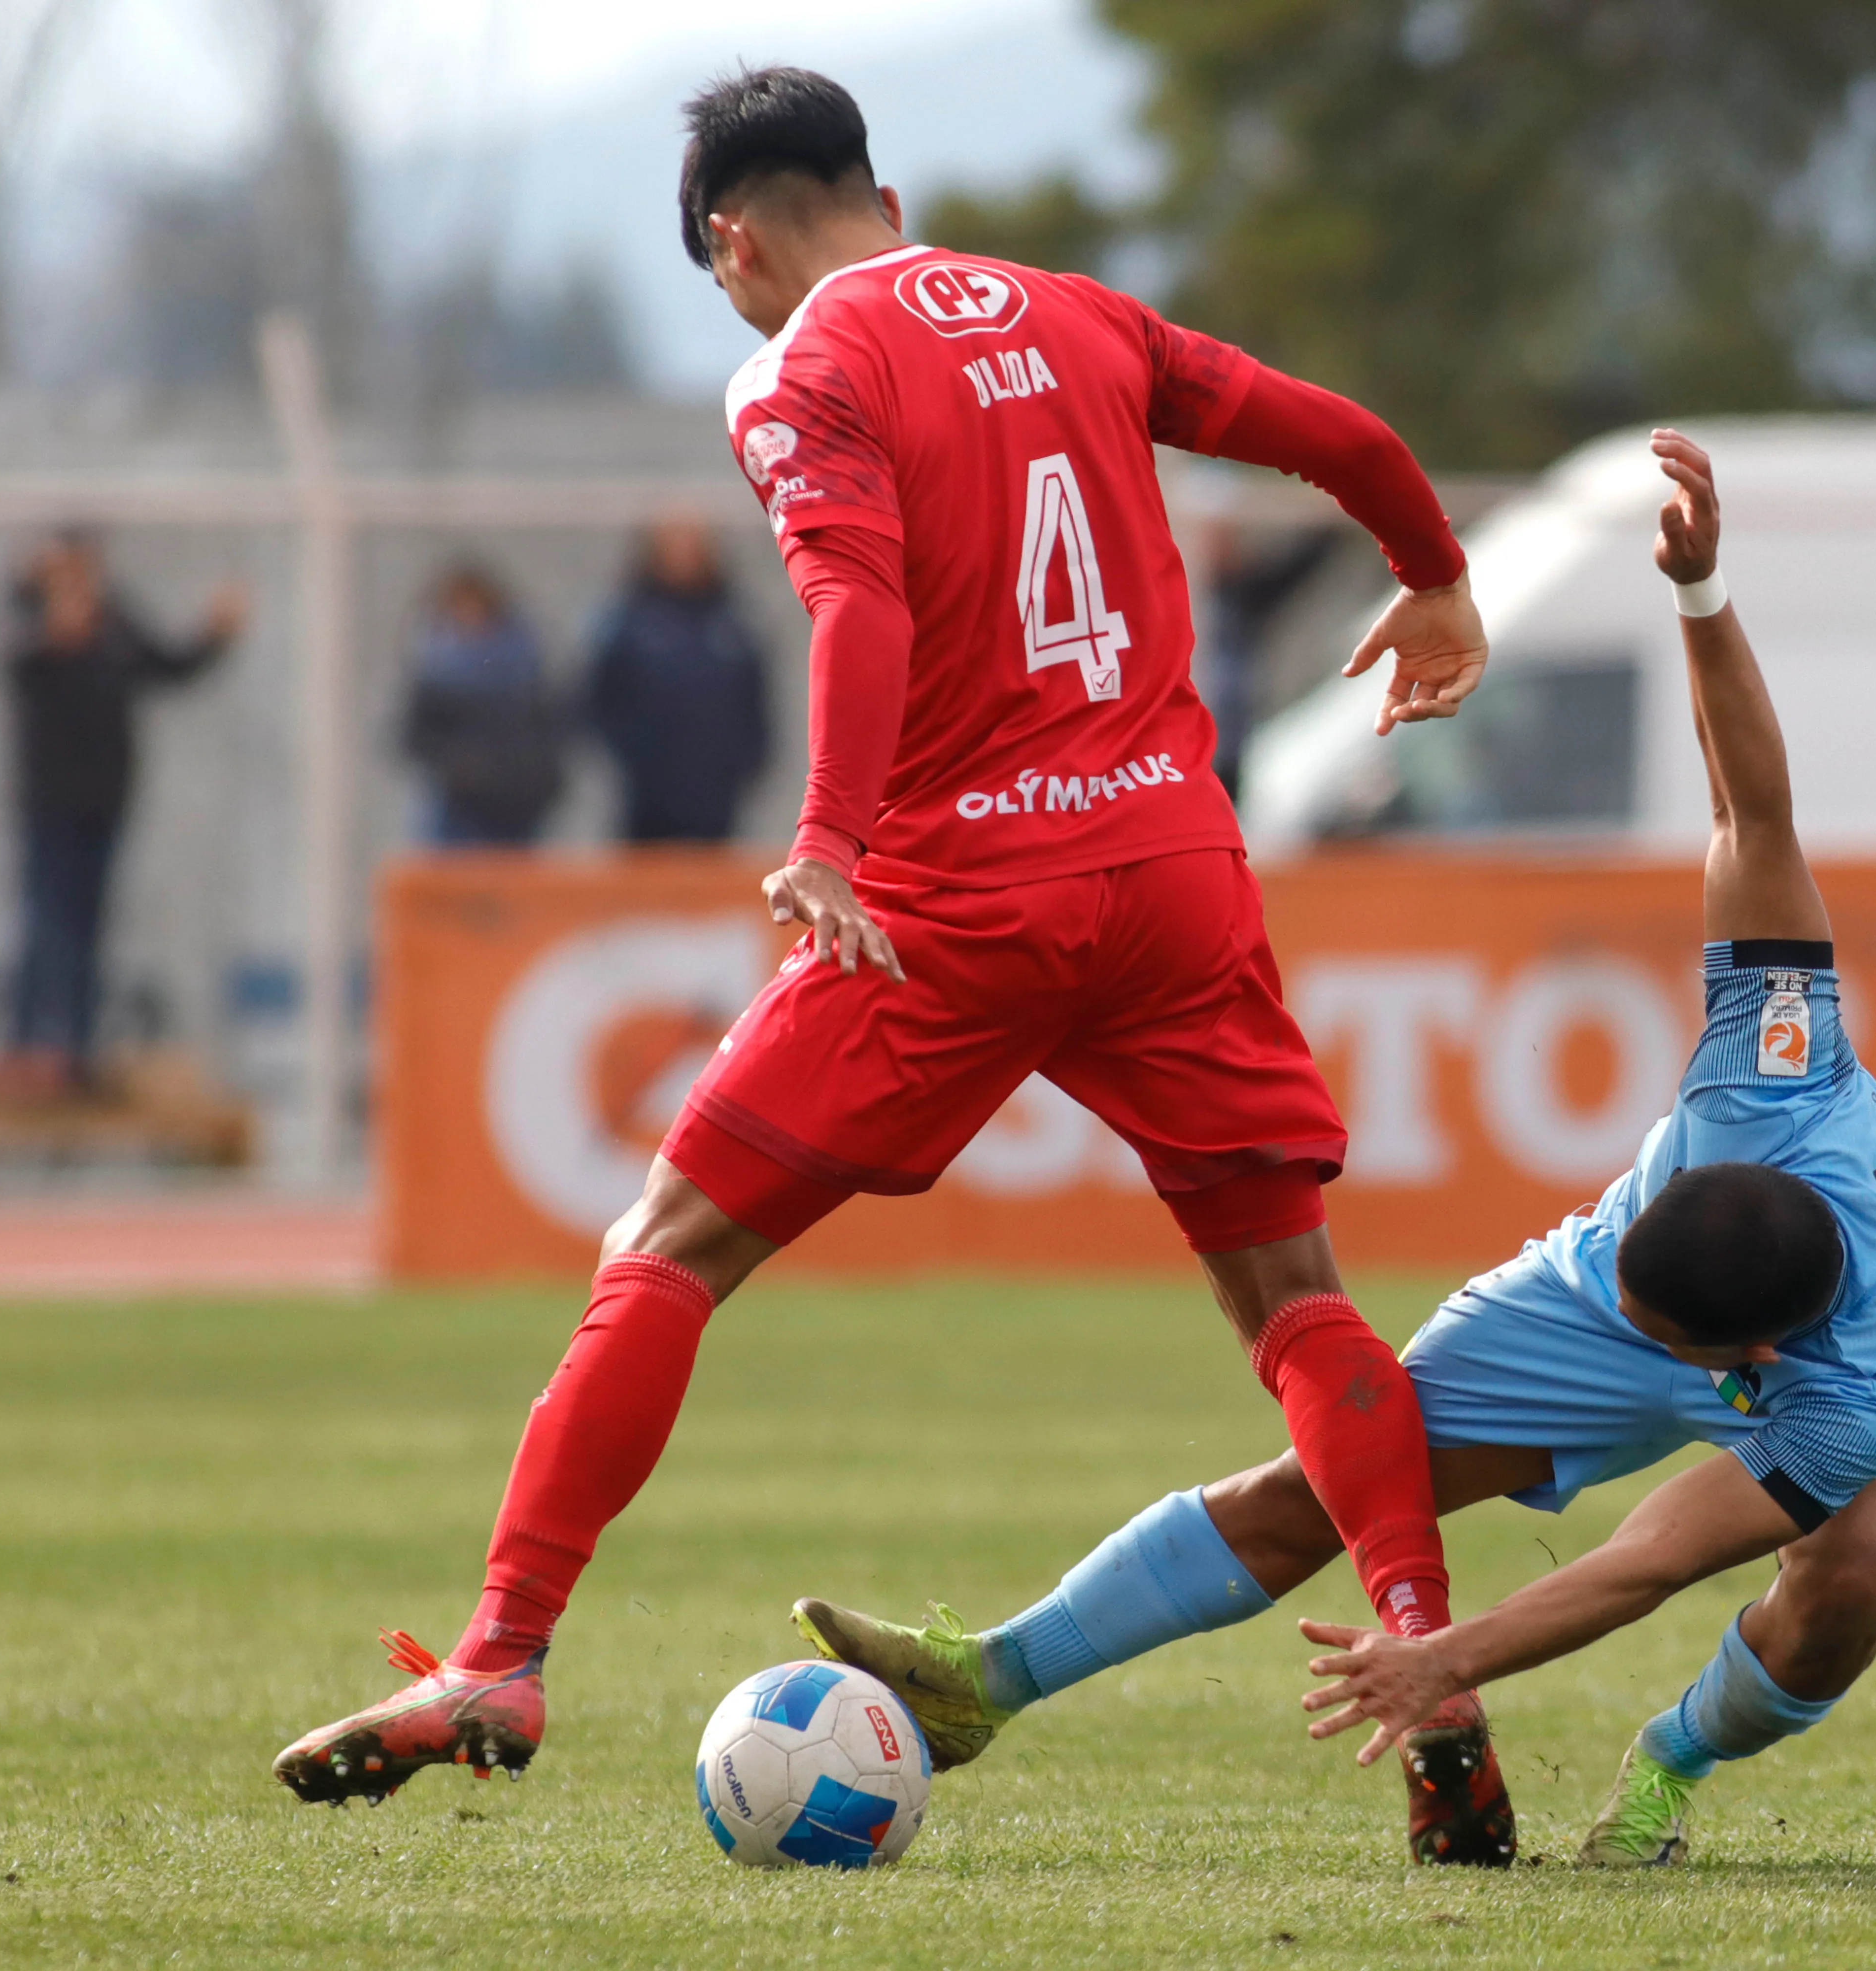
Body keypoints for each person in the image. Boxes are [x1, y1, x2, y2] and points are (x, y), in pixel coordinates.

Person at [272, 67, 1501, 1859]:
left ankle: (499, 1658)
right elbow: (1337, 432)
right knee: (1297, 1306)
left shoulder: (800, 368)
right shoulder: (1079, 316)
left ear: (733, 237)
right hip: (1169, 860)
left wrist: (833, 837)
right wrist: (1436, 571)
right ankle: (1426, 1661)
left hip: (955, 885)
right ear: (885, 191)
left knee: (666, 1253)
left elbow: (857, 598)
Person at [790, 432, 1876, 1868]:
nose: (1658, 1352)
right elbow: (1751, 812)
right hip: (1656, 1288)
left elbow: (1646, 1558)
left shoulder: (1861, 1390)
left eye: (1676, 1346)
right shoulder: (1766, 1074)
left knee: (1846, 1580)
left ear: (1754, 1357)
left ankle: (1671, 1762)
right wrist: (1701, 591)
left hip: (1866, 1384)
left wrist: (1447, 1655)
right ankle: (987, 1676)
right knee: (1339, 1474)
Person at [0, 530, 246, 1091]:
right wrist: (51, 630)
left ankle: (75, 1051)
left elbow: (167, 665)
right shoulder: (24, 617)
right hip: (50, 803)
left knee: (89, 928)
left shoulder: (114, 619)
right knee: (47, 922)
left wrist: (216, 633)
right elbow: (10, 658)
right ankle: (27, 1044)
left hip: (105, 800)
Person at [586, 518, 772, 843]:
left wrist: (746, 761)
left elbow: (755, 701)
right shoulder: (627, 624)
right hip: (646, 795)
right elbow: (599, 701)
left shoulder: (732, 625)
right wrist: (633, 757)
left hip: (718, 793)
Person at [401, 562, 565, 847]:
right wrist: (460, 767)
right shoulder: (436, 671)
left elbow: (552, 727)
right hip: (459, 810)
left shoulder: (525, 666)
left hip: (520, 807)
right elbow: (413, 737)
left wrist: (542, 778)